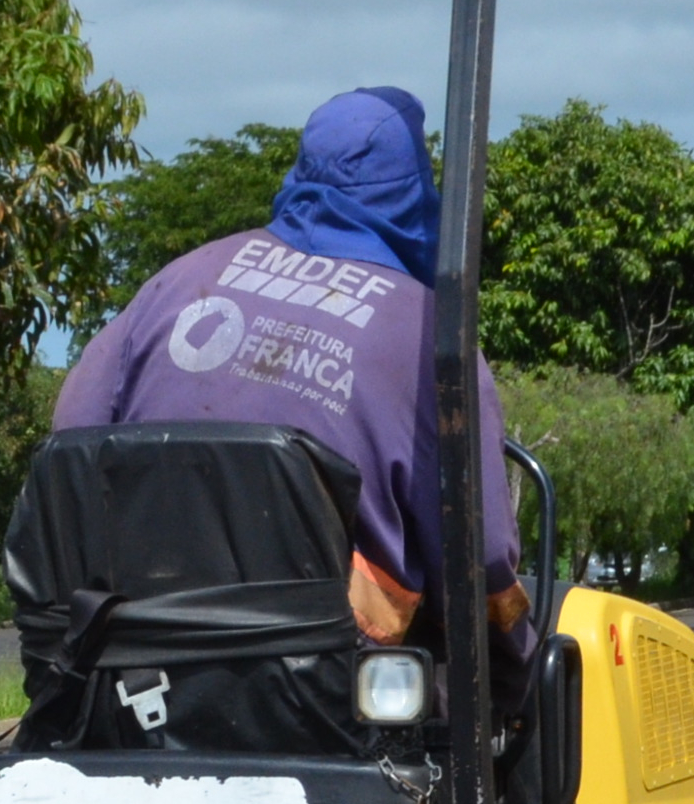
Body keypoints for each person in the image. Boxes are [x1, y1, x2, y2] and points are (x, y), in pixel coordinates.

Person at [54, 87, 532, 671]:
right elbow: (480, 557)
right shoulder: (432, 335)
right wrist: (519, 658)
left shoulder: (176, 281)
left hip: (136, 655)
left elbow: (70, 440)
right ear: (414, 192)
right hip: (327, 683)